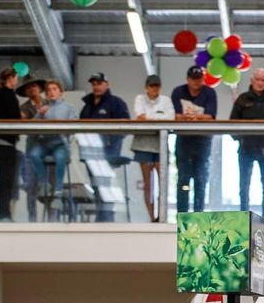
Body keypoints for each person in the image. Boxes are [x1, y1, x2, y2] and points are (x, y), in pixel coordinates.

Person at [231, 68, 264, 220]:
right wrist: (240, 139)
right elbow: (232, 123)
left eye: (263, 80)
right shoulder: (242, 99)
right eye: (257, 79)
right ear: (251, 80)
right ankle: (243, 216)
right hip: (246, 149)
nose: (260, 83)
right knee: (244, 185)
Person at [80, 72, 131, 222]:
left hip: (109, 150)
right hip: (90, 150)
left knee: (106, 185)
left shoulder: (116, 103)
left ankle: (108, 217)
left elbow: (125, 126)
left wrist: (111, 141)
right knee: (96, 185)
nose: (96, 87)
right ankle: (101, 216)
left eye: (99, 83)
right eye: (94, 84)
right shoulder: (87, 105)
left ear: (106, 84)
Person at [27, 80, 78, 221]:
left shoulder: (69, 107)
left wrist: (63, 126)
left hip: (60, 143)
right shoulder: (43, 107)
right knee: (34, 154)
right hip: (44, 142)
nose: (51, 92)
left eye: (54, 89)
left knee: (60, 157)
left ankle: (58, 190)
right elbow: (31, 127)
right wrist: (40, 115)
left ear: (60, 92)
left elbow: (74, 126)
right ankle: (44, 182)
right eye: (49, 90)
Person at [172, 66, 218, 213]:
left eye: (199, 79)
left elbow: (210, 116)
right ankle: (182, 213)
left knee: (200, 178)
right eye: (193, 79)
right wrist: (189, 117)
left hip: (203, 141)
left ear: (203, 79)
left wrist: (194, 116)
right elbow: (174, 115)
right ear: (188, 79)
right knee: (183, 178)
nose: (196, 82)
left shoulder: (209, 92)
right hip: (183, 140)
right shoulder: (178, 92)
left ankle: (199, 213)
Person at [131, 74, 175, 222]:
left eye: (157, 86)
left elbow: (170, 118)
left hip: (160, 144)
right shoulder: (140, 99)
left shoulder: (166, 100)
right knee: (148, 184)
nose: (154, 89)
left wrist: (150, 118)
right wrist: (158, 118)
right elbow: (140, 116)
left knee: (162, 182)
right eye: (151, 86)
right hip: (143, 144)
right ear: (146, 87)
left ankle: (161, 215)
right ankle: (151, 216)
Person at [0, 68, 22, 221]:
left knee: (6, 180)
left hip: (2, 141)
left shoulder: (0, 95)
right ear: (11, 78)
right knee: (6, 180)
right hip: (5, 142)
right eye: (16, 78)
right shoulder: (7, 95)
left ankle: (3, 213)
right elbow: (13, 117)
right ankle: (3, 214)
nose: (17, 81)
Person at [18, 76, 47, 221]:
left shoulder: (50, 103)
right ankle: (32, 219)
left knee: (49, 185)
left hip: (48, 148)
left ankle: (51, 219)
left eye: (34, 86)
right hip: (32, 147)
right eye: (28, 88)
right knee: (31, 185)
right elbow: (23, 123)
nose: (31, 89)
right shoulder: (23, 108)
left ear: (40, 88)